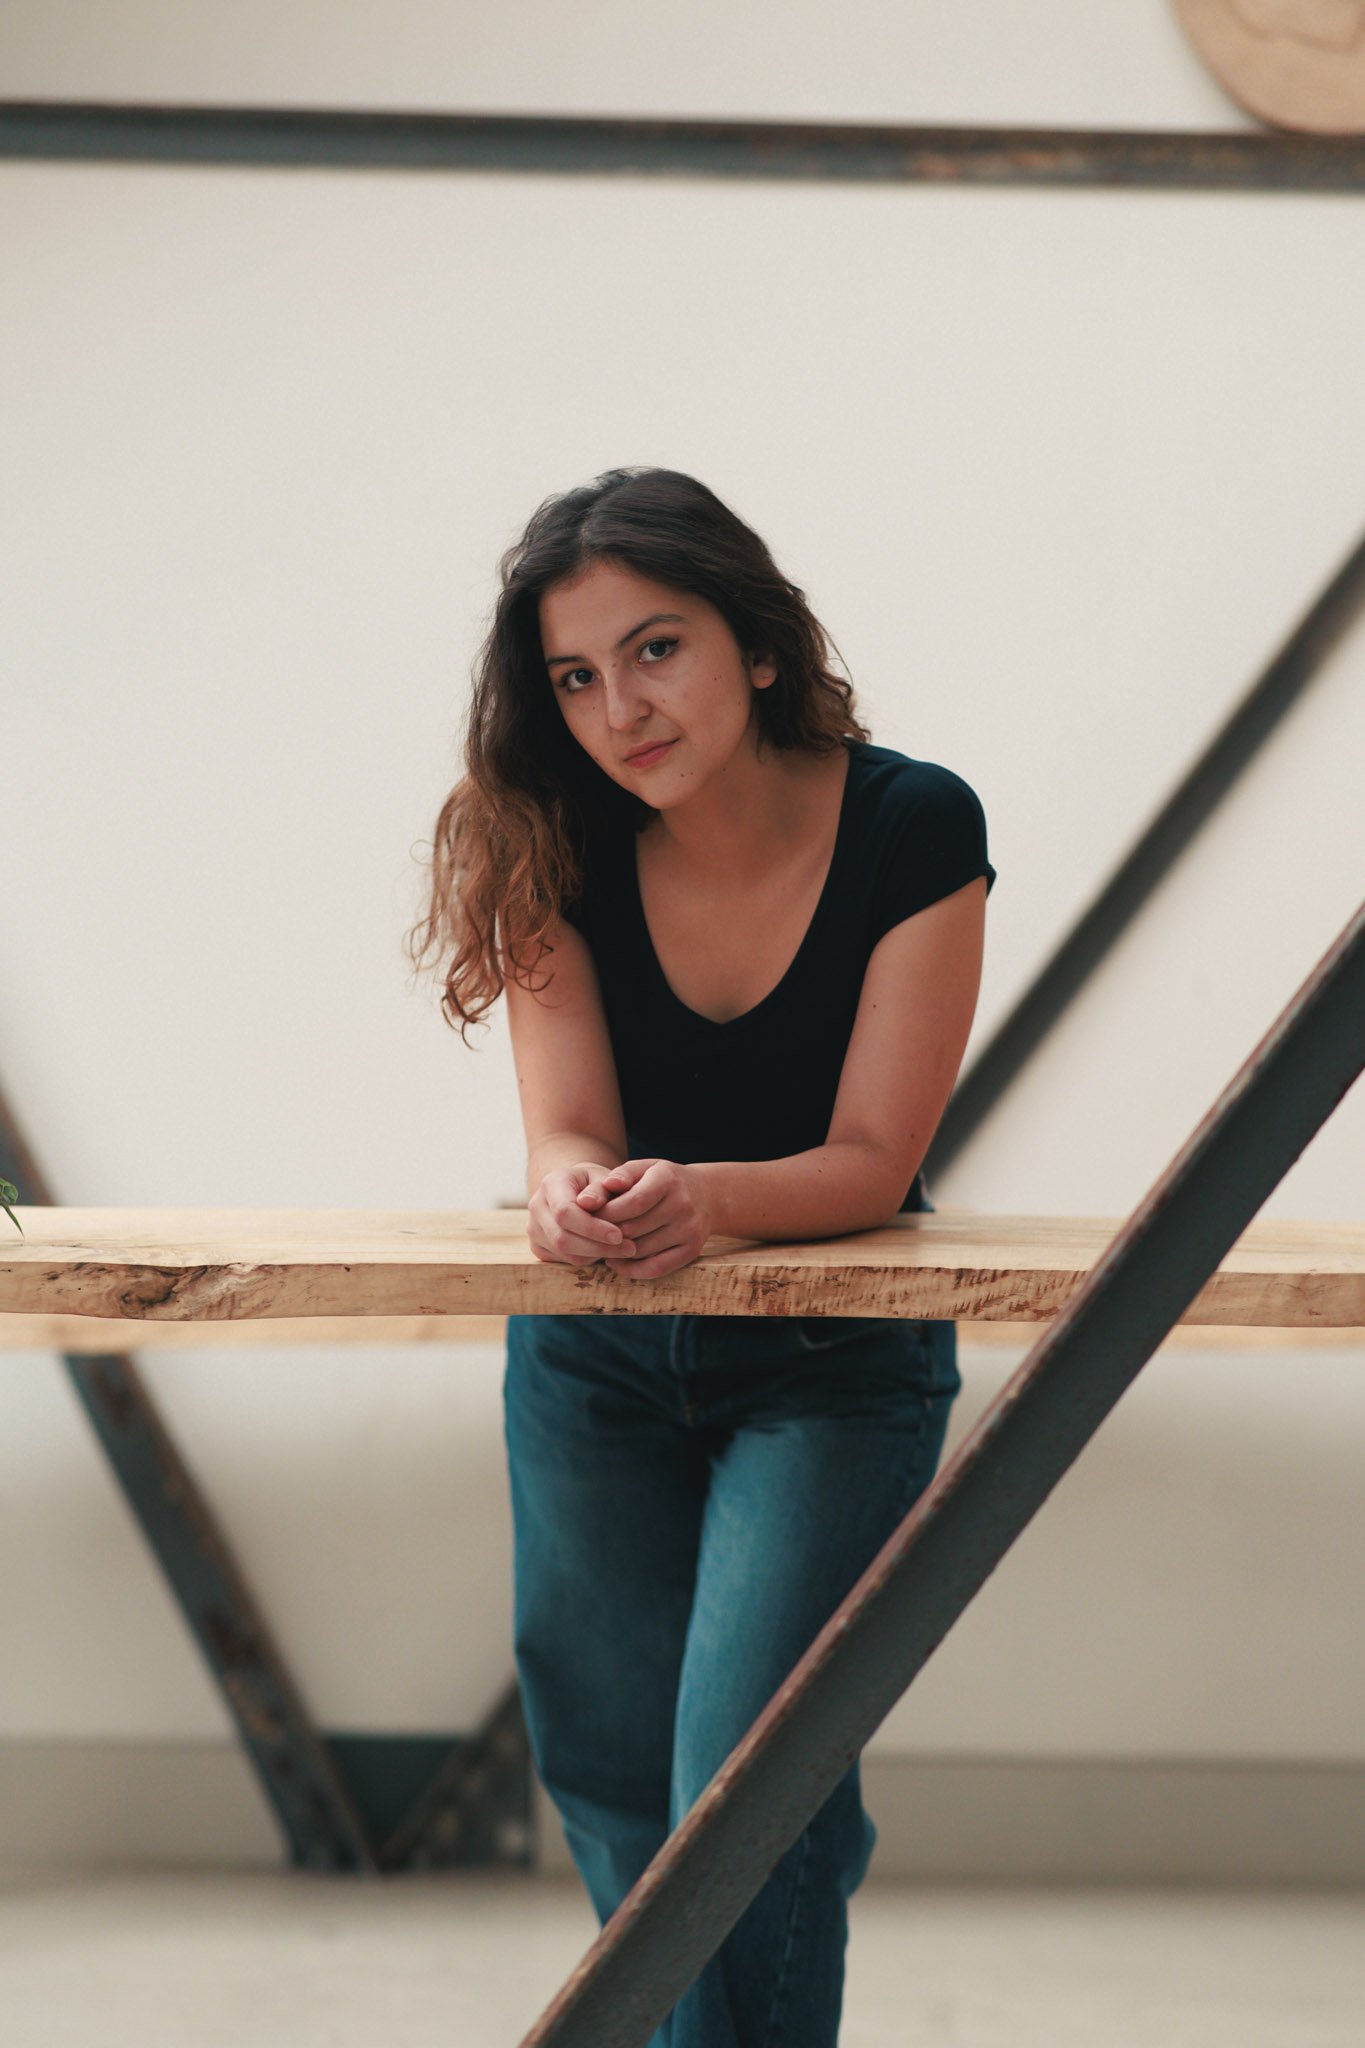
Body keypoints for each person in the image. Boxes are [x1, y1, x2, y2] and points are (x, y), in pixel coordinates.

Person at [408, 466, 996, 2047]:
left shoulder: (913, 823)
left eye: (653, 650)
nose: (618, 709)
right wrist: (567, 1195)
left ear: (753, 641)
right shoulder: (545, 832)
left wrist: (706, 1200)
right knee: (605, 1769)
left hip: (827, 1367)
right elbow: (568, 1128)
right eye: (576, 678)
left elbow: (876, 1159)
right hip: (591, 1353)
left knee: (745, 1784)